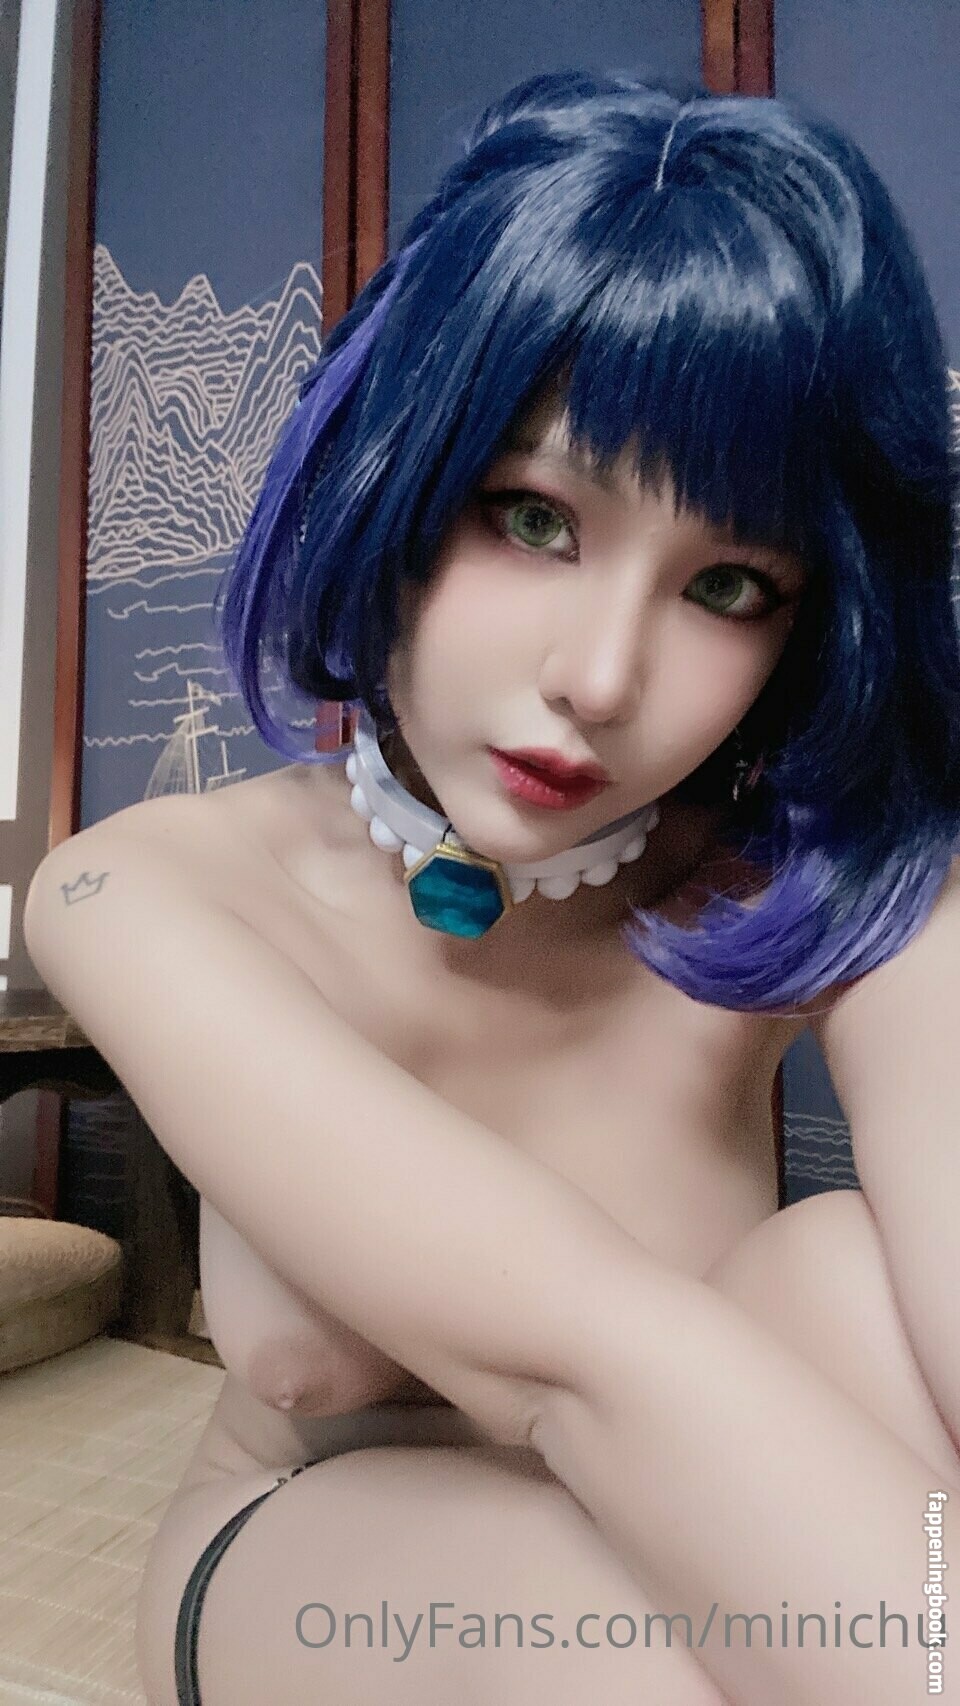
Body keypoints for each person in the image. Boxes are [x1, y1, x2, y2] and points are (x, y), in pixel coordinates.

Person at [24, 69, 960, 1706]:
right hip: (320, 1542)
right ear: (394, 472)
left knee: (848, 1271)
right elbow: (589, 1353)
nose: (599, 677)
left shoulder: (810, 881)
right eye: (532, 516)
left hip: (712, 1485)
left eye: (729, 584)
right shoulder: (142, 891)